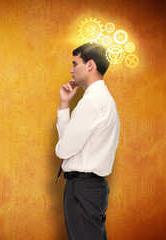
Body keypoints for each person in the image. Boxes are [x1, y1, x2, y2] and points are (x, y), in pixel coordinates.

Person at [55, 42, 120, 240]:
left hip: (83, 189)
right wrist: (65, 104)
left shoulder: (92, 101)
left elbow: (63, 150)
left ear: (90, 65)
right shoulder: (101, 98)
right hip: (90, 188)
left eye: (75, 64)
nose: (71, 69)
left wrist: (64, 109)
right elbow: (69, 145)